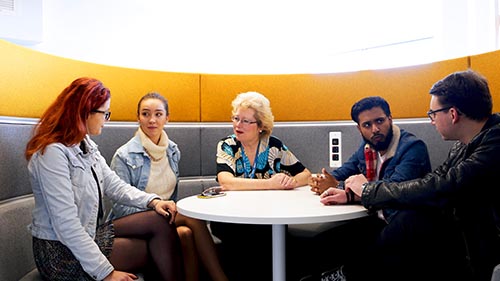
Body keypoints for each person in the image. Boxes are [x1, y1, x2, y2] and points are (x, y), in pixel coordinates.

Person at [321, 69, 500, 281]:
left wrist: (368, 189)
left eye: (432, 114)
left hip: (480, 245)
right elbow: (433, 181)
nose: (431, 121)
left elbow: (442, 187)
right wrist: (353, 193)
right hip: (463, 235)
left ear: (452, 114)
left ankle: (347, 275)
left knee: (410, 221)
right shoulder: (463, 146)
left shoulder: (495, 143)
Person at [25, 77, 184, 281]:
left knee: (159, 219)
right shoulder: (52, 153)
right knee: (152, 250)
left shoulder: (84, 143)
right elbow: (65, 223)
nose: (106, 120)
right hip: (60, 252)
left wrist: (153, 201)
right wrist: (106, 273)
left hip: (88, 233)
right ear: (85, 111)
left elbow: (115, 185)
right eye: (104, 113)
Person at [290, 96, 432, 279]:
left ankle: (343, 274)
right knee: (317, 245)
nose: (375, 129)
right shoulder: (367, 148)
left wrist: (343, 189)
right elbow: (343, 172)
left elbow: (393, 190)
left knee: (366, 255)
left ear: (390, 119)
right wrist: (324, 180)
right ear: (359, 128)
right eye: (367, 125)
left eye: (380, 121)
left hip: (402, 224)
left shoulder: (412, 148)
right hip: (375, 218)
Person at [109, 92, 228, 281]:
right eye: (145, 114)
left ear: (167, 118)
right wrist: (156, 207)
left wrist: (166, 210)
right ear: (138, 118)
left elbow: (171, 196)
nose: (152, 120)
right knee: (192, 219)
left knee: (185, 233)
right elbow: (120, 207)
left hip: (164, 220)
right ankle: (221, 278)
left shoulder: (172, 150)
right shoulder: (124, 155)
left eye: (158, 114)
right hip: (132, 222)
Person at [210, 91, 312, 280]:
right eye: (236, 118)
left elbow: (305, 174)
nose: (238, 125)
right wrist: (270, 184)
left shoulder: (273, 145)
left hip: (268, 217)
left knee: (280, 243)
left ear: (260, 126)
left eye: (246, 121)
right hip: (231, 219)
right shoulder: (227, 145)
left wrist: (291, 182)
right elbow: (226, 181)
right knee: (256, 244)